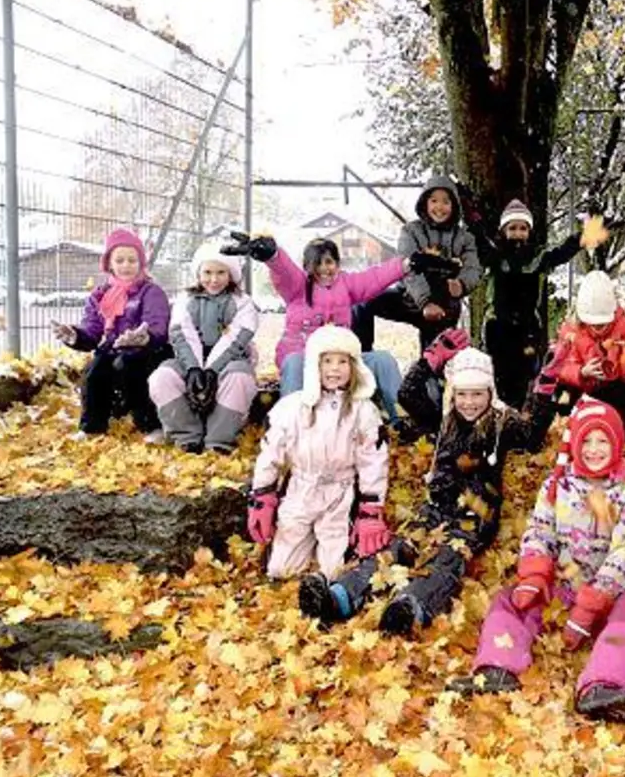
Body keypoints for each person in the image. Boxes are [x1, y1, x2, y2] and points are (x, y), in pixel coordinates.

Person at [303, 343, 554, 635]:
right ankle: (340, 597)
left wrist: (544, 389)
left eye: (477, 394)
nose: (469, 402)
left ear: (490, 393)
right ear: (452, 394)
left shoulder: (501, 423)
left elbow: (533, 434)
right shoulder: (443, 417)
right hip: (434, 509)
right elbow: (407, 395)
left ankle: (413, 606)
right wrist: (429, 360)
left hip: (474, 518)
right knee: (397, 548)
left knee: (447, 558)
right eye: (462, 394)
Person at [448, 398, 625, 721]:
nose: (594, 449)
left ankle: (604, 684)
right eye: (587, 441)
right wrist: (535, 573)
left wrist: (594, 601)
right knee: (509, 600)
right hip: (565, 585)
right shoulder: (559, 485)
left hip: (610, 592)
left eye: (603, 441)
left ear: (616, 445)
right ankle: (499, 667)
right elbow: (540, 530)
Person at [227, 231, 429, 427]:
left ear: (337, 264)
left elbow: (375, 277)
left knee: (382, 359)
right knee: (293, 361)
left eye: (329, 261)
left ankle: (400, 420)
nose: (324, 268)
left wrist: (406, 265)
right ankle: (288, 424)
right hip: (305, 360)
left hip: (339, 361)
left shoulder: (347, 284)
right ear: (307, 266)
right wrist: (273, 256)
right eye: (317, 263)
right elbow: (284, 271)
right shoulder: (297, 287)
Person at [244, 325, 390, 582]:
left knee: (334, 571)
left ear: (354, 366)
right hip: (301, 488)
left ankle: (329, 564)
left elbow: (373, 461)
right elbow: (271, 453)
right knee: (281, 569)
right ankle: (288, 548)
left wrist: (371, 507)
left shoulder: (363, 411)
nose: (335, 368)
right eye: (327, 361)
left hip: (340, 492)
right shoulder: (291, 407)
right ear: (314, 365)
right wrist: (262, 495)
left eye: (343, 361)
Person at [53, 227, 172, 440]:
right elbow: (92, 332)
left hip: (147, 350)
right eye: (120, 260)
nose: (126, 265)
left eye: (132, 260)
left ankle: (151, 424)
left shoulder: (151, 292)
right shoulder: (100, 296)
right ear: (109, 263)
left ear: (141, 262)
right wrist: (75, 336)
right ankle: (92, 427)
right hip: (114, 348)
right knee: (95, 369)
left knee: (131, 366)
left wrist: (144, 337)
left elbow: (158, 324)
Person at [146, 239, 260, 454]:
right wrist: (193, 369)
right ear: (198, 274)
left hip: (229, 361)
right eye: (207, 272)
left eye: (221, 273)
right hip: (190, 361)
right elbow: (182, 334)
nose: (213, 279)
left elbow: (235, 339)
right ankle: (187, 436)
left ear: (231, 275)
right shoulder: (185, 300)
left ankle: (218, 441)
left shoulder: (242, 303)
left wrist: (211, 371)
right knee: (162, 377)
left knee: (239, 378)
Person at [352, 176, 482, 351]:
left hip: (444, 307)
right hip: (409, 298)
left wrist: (462, 283)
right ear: (425, 203)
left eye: (446, 202)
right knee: (363, 301)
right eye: (434, 201)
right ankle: (363, 356)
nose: (439, 207)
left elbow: (473, 268)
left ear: (454, 206)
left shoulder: (465, 238)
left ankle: (432, 371)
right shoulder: (410, 231)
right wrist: (425, 302)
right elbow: (408, 269)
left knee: (434, 360)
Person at [474, 198, 583, 406]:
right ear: (504, 230)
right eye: (512, 228)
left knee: (527, 373)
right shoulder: (496, 256)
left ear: (529, 231)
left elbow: (562, 252)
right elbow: (478, 238)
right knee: (499, 374)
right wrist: (473, 217)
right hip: (498, 327)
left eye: (523, 228)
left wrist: (583, 237)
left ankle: (523, 417)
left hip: (527, 328)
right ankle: (501, 415)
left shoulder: (537, 258)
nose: (517, 233)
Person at [542, 270, 625, 439]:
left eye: (603, 323)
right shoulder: (571, 329)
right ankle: (569, 424)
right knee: (558, 390)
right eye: (593, 322)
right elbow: (560, 365)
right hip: (579, 385)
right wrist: (581, 372)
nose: (598, 327)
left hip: (611, 384)